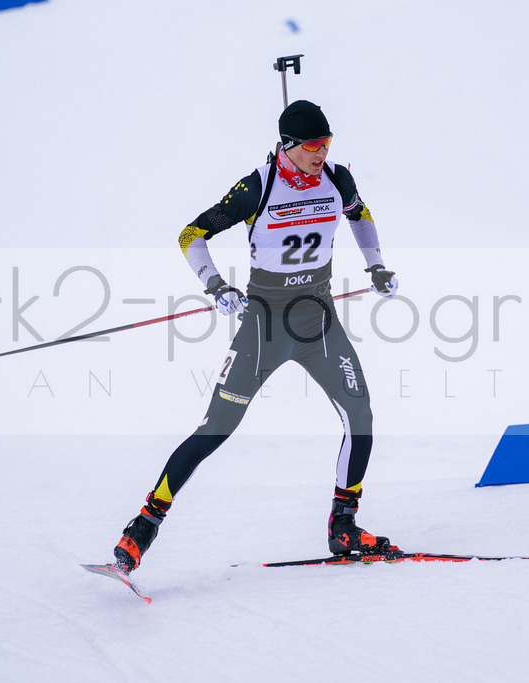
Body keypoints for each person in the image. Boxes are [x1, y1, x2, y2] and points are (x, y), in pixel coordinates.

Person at [112, 100, 400, 574]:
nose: (320, 154)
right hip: (265, 325)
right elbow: (191, 234)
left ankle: (344, 526)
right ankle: (142, 528)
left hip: (318, 320)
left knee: (361, 416)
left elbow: (359, 214)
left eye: (326, 144)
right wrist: (215, 285)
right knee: (215, 429)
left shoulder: (336, 178)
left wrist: (377, 266)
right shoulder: (258, 186)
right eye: (312, 146)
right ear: (287, 146)